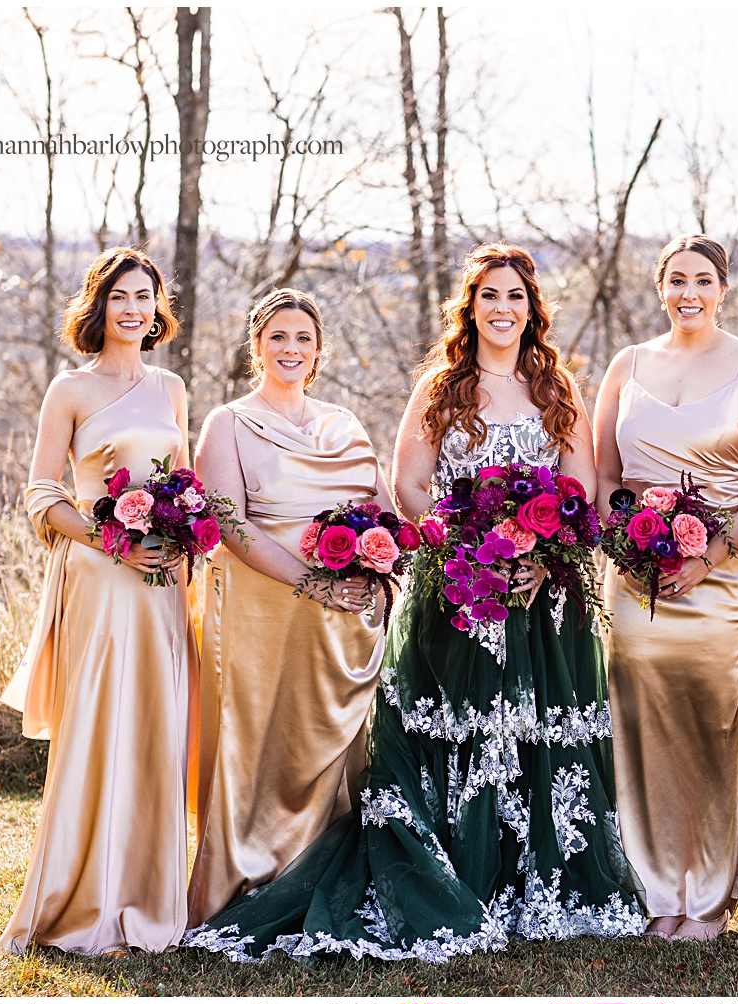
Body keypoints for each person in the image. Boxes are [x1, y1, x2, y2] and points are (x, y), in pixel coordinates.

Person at [186, 245, 644, 962]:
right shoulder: (442, 387)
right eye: (489, 295)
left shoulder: (557, 388)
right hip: (457, 588)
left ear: (532, 309)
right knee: (452, 734)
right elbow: (410, 486)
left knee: (532, 735)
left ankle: (535, 886)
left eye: (516, 297)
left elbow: (578, 486)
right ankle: (452, 878)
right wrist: (472, 550)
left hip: (539, 594)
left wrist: (539, 552)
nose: (502, 308)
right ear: (470, 306)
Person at [594, 234, 738, 940]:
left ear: (722, 289)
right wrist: (631, 538)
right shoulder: (628, 365)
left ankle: (707, 897)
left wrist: (708, 556)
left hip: (725, 578)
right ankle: (653, 891)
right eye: (676, 279)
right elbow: (605, 478)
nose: (689, 292)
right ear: (660, 287)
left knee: (716, 730)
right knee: (640, 728)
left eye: (702, 280)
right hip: (637, 579)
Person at [0, 247, 196, 955]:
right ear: (99, 307)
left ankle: (147, 905)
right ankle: (80, 903)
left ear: (158, 309)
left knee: (155, 731)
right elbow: (41, 491)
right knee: (99, 728)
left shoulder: (172, 389)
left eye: (144, 296)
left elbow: (187, 485)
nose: (133, 309)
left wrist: (185, 534)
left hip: (164, 586)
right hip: (100, 577)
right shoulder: (70, 390)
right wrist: (111, 539)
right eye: (119, 297)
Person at [185, 289, 387, 926]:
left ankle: (326, 877)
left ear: (319, 350)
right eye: (278, 337)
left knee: (335, 748)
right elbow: (226, 522)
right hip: (261, 609)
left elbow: (385, 511)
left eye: (303, 339)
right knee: (261, 740)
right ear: (257, 346)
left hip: (343, 622)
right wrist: (310, 580)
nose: (291, 350)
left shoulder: (344, 425)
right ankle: (249, 877)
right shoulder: (229, 423)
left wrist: (380, 563)